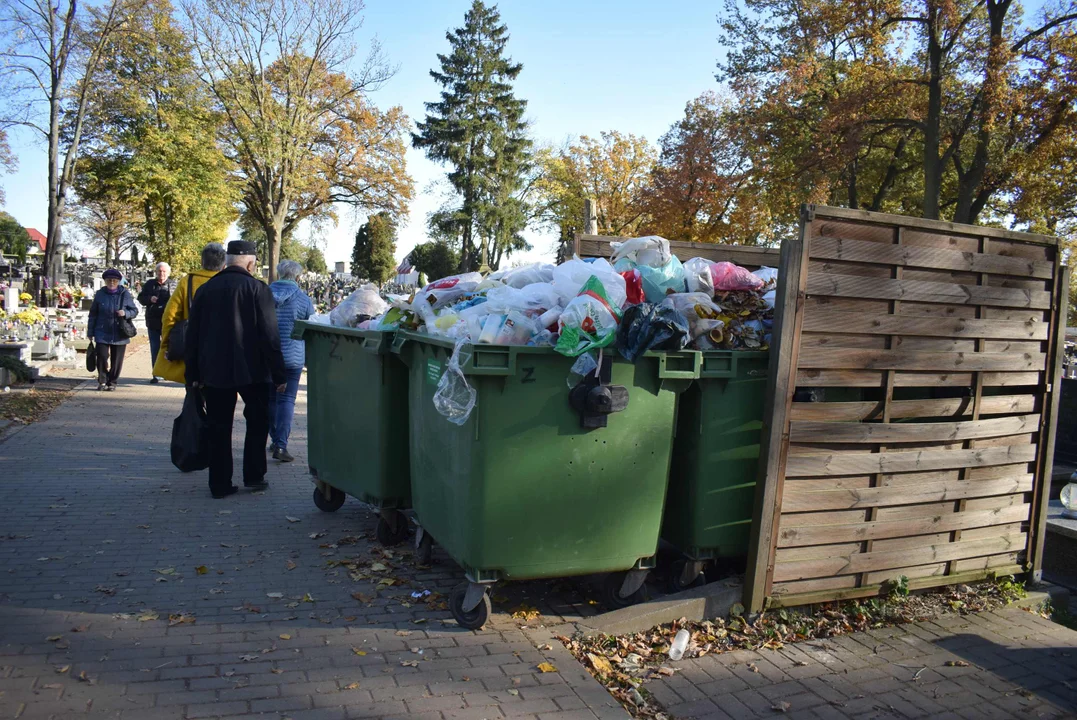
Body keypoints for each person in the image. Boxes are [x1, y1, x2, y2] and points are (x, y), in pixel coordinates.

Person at [185, 240, 286, 499]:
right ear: (250, 263)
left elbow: (192, 335)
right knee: (257, 423)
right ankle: (253, 475)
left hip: (214, 370)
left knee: (219, 427)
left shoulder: (205, 290)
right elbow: (269, 334)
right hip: (253, 371)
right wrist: (279, 373)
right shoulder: (257, 289)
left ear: (227, 261)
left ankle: (219, 483)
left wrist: (192, 375)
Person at [153, 244, 225, 384]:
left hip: (192, 346)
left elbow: (170, 316)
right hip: (222, 348)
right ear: (223, 264)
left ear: (202, 261)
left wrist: (167, 345)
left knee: (193, 393)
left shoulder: (188, 281)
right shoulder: (227, 281)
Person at [268, 260, 315, 463]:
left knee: (270, 399)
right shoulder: (304, 300)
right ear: (297, 277)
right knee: (286, 400)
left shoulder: (264, 295)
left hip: (268, 356)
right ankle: (281, 444)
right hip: (292, 357)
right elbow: (311, 327)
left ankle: (274, 437)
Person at [86, 268, 139, 391]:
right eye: (109, 280)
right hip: (102, 331)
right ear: (105, 281)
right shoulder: (100, 294)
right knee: (102, 356)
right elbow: (93, 313)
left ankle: (112, 382)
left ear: (118, 282)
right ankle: (102, 380)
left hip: (119, 331)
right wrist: (90, 331)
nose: (111, 282)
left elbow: (134, 311)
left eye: (114, 281)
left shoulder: (124, 294)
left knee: (117, 360)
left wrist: (125, 313)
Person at [138, 262, 175, 383]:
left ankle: (168, 372)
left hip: (169, 323)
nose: (161, 274)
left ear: (168, 273)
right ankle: (156, 373)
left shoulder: (173, 284)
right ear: (156, 272)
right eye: (159, 271)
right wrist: (149, 299)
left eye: (164, 271)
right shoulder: (150, 284)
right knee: (155, 348)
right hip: (153, 322)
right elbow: (141, 298)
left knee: (169, 348)